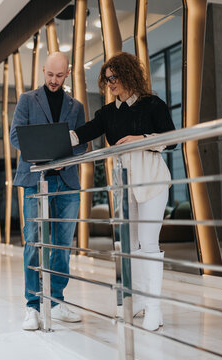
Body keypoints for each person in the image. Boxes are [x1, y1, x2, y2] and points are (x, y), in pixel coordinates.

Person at [70, 52, 176, 331]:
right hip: (123, 183)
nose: (110, 84)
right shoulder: (107, 113)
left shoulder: (152, 104)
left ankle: (155, 307)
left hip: (151, 179)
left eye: (114, 78)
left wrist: (141, 140)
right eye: (106, 80)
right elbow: (83, 133)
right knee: (128, 247)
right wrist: (52, 141)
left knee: (149, 244)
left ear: (129, 75)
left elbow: (173, 139)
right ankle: (137, 300)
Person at [10, 52, 88, 331]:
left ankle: (55, 301)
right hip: (36, 180)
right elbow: (16, 136)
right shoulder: (27, 100)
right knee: (33, 243)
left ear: (67, 73)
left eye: (59, 75)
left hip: (66, 183)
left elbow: (81, 144)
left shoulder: (76, 106)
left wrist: (62, 149)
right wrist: (45, 151)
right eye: (50, 75)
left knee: (62, 245)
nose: (54, 81)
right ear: (43, 71)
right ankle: (32, 306)